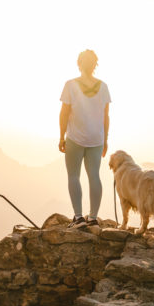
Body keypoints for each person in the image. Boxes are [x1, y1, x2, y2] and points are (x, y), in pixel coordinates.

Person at [59, 49, 111, 227]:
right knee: (94, 176)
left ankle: (79, 217)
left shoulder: (70, 85)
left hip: (75, 137)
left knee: (73, 175)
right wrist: (105, 140)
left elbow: (64, 113)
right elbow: (106, 116)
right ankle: (93, 218)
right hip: (96, 138)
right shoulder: (103, 87)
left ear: (79, 63)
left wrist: (61, 136)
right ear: (95, 65)